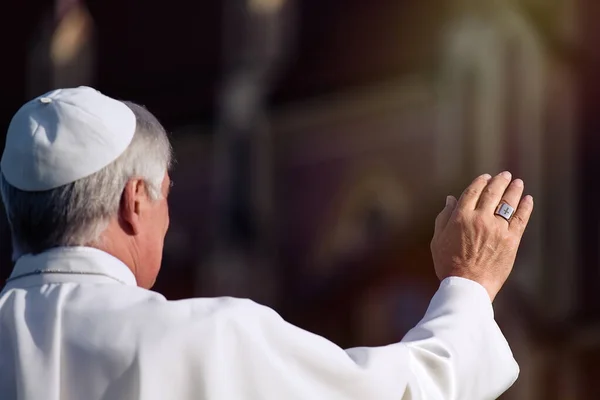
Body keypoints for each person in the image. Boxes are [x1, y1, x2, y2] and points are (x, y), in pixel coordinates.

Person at [0, 87, 533, 400]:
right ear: (135, 202)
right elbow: (406, 391)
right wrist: (470, 282)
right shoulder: (206, 339)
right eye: (165, 197)